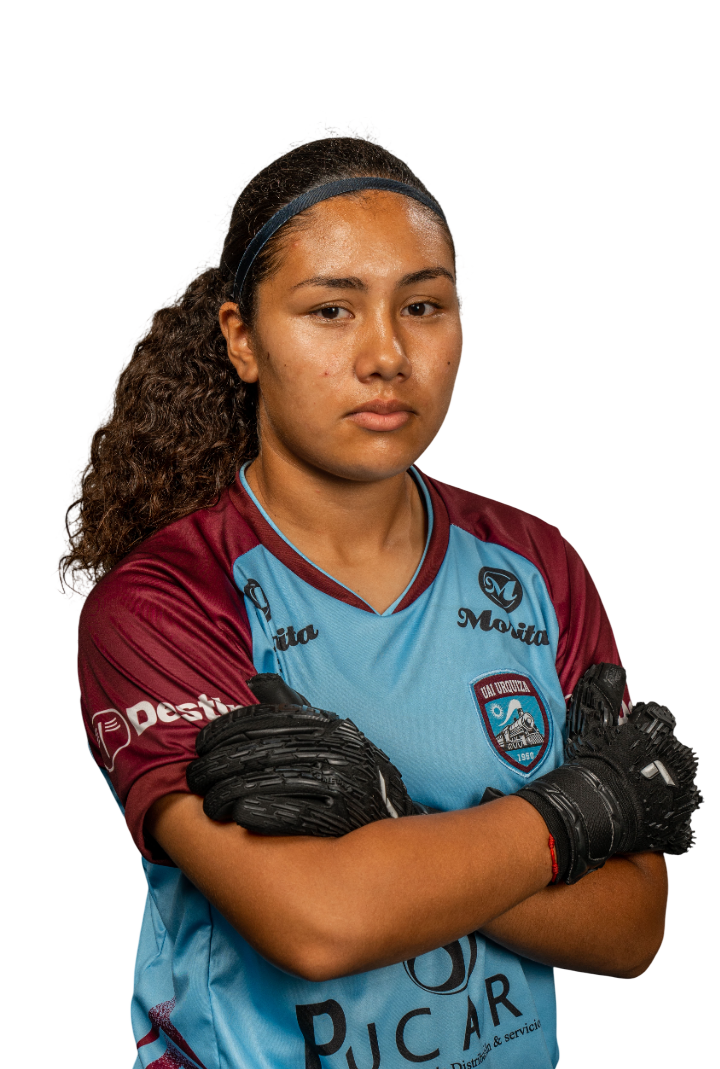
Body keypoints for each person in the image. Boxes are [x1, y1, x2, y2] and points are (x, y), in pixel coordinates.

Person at [61, 134, 700, 1069]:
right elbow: (318, 921)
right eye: (331, 309)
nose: (388, 354)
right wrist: (580, 810)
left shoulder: (536, 567)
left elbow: (631, 925)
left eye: (423, 306)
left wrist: (382, 833)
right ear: (242, 338)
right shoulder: (164, 601)